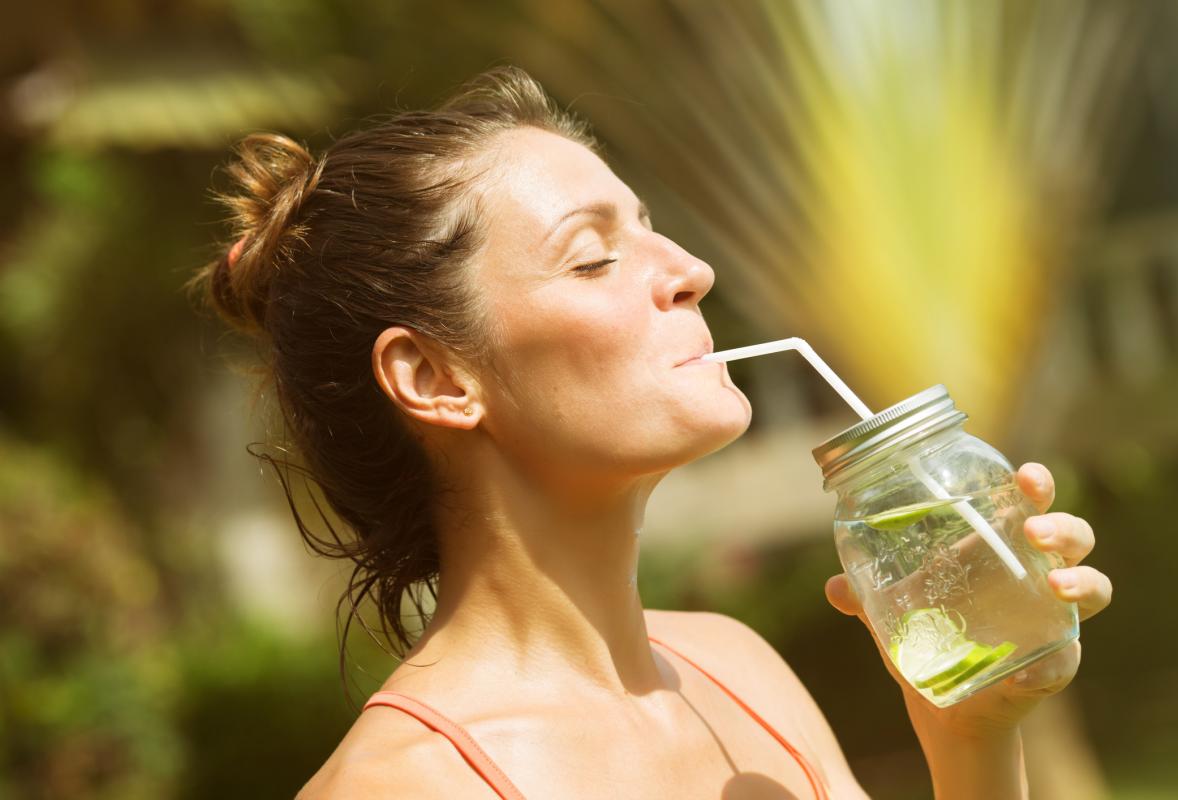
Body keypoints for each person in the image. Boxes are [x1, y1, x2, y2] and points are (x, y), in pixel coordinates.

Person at [191, 66, 1113, 799]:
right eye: (592, 258)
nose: (692, 272)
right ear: (434, 378)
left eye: (653, 231)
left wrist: (970, 736)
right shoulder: (407, 787)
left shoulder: (740, 671)